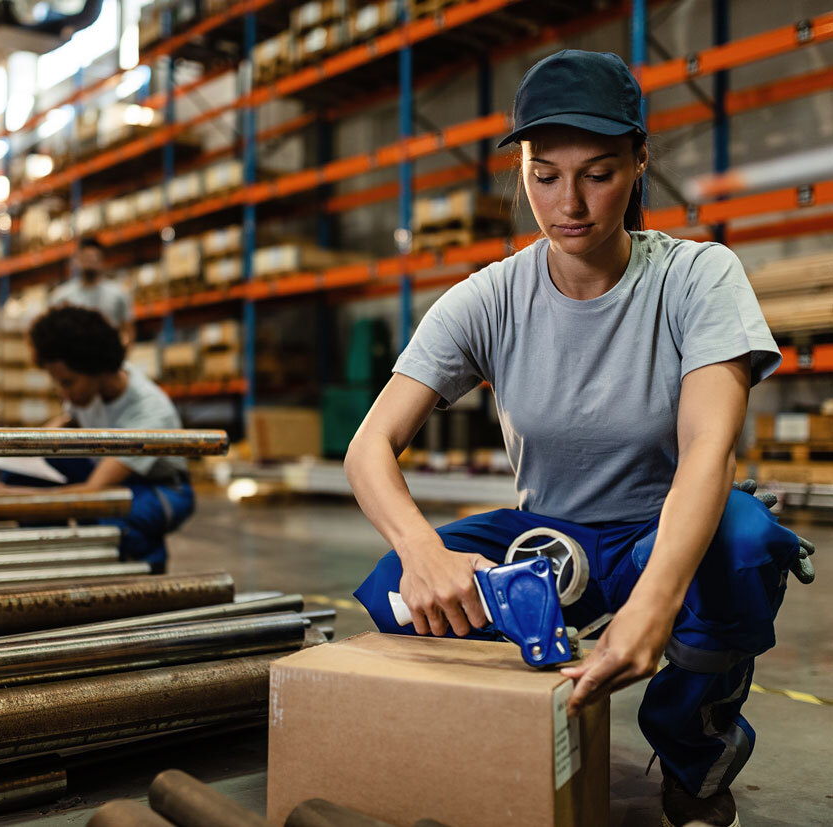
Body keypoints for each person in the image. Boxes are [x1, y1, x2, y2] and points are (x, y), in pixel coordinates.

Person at [346, 50, 814, 827]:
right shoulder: (487, 298)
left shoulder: (698, 277)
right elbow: (370, 448)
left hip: (660, 532)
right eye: (544, 173)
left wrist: (654, 606)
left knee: (746, 543)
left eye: (598, 172)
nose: (569, 202)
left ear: (639, 162)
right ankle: (515, 727)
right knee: (397, 586)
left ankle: (694, 751)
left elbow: (708, 449)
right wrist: (428, 555)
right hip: (548, 540)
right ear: (522, 169)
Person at [0, 306, 194, 573]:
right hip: (108, 468)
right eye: (58, 383)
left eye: (68, 383)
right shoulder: (93, 385)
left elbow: (94, 491)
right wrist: (19, 452)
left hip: (159, 488)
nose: (64, 393)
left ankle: (145, 569)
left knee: (110, 514)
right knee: (21, 476)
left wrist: (9, 497)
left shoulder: (148, 412)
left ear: (97, 371)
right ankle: (54, 558)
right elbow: (63, 423)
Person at [50, 237, 135, 347]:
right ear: (78, 260)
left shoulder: (118, 295)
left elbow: (128, 331)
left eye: (94, 257)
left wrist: (121, 358)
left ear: (101, 260)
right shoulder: (61, 297)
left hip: (107, 358)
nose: (90, 262)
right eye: (86, 258)